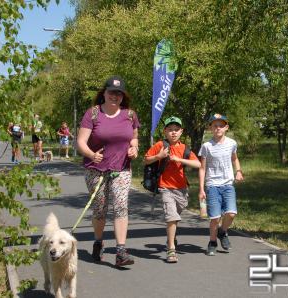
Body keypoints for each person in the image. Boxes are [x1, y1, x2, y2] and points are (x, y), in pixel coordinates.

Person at [76, 75, 140, 267]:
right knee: (100, 209)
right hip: (96, 169)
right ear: (103, 93)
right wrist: (91, 154)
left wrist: (134, 148)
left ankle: (121, 251)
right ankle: (98, 241)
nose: (115, 96)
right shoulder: (93, 114)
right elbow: (80, 142)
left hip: (121, 169)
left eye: (119, 93)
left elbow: (134, 137)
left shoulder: (130, 115)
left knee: (120, 206)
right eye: (111, 92)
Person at [144, 116, 200, 263]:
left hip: (181, 189)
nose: (173, 132)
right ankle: (171, 249)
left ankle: (171, 235)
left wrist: (179, 160)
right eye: (170, 130)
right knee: (172, 217)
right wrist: (159, 155)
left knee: (176, 216)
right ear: (165, 131)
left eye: (176, 130)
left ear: (181, 131)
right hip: (165, 188)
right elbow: (146, 160)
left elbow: (198, 164)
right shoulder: (160, 145)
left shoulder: (184, 148)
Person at [198, 114, 244, 256]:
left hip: (228, 184)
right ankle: (212, 242)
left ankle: (222, 232)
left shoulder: (232, 143)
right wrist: (201, 189)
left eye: (221, 125)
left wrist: (238, 171)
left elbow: (235, 159)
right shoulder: (206, 146)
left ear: (226, 128)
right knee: (215, 218)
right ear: (211, 128)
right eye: (215, 125)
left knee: (231, 214)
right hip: (212, 185)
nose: (218, 128)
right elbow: (202, 168)